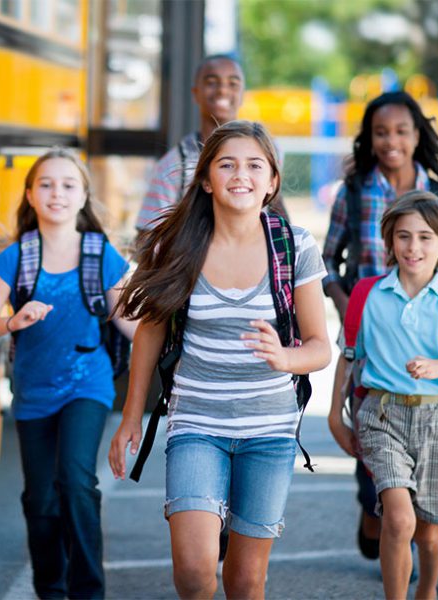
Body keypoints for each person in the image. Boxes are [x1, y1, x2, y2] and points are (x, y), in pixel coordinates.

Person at [109, 120, 331, 599]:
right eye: (226, 163)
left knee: (246, 581)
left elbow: (319, 347)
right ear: (206, 178)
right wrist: (131, 416)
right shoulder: (177, 245)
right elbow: (149, 331)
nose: (241, 175)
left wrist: (284, 356)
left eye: (255, 165)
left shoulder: (293, 246)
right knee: (193, 573)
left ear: (272, 182)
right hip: (196, 425)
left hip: (269, 431)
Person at [0, 148, 137, 599]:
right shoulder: (16, 257)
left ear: (84, 196)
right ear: (30, 194)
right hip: (33, 392)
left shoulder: (99, 254)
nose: (56, 193)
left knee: (77, 481)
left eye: (68, 184)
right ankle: (51, 590)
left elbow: (132, 323)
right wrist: (11, 321)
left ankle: (88, 591)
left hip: (88, 384)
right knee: (40, 500)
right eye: (46, 184)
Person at [322, 90, 438, 560]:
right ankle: (377, 512)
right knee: (372, 448)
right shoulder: (353, 190)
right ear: (370, 139)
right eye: (381, 132)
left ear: (417, 136)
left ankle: (406, 542)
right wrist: (348, 301)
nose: (391, 140)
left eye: (401, 131)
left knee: (424, 476)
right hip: (370, 337)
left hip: (428, 342)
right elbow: (328, 259)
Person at [329, 190, 438, 600]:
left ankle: (428, 591)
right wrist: (335, 417)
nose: (413, 247)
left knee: (429, 530)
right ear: (389, 241)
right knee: (398, 520)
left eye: (425, 237)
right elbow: (348, 358)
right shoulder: (366, 296)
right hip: (382, 417)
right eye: (403, 236)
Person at [135, 54, 287, 234]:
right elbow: (147, 236)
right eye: (212, 82)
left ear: (242, 93)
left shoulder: (268, 150)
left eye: (233, 83)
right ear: (195, 93)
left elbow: (275, 207)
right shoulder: (174, 164)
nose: (222, 90)